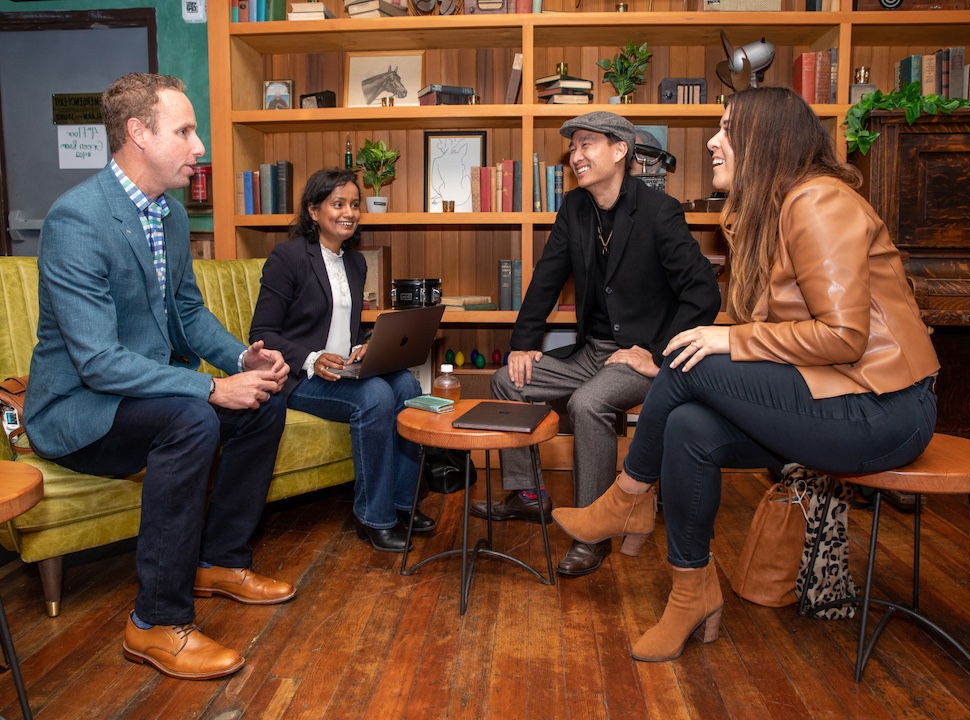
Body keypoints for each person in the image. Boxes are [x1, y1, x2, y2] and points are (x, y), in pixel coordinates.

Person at [551, 87, 940, 662]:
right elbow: (782, 329)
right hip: (832, 394)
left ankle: (629, 494)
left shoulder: (819, 201)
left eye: (727, 129)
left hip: (884, 408)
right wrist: (723, 338)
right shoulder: (776, 210)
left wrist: (727, 338)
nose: (713, 141)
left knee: (692, 360)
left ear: (767, 139)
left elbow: (843, 337)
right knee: (687, 426)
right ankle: (692, 594)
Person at [23, 73, 295, 681]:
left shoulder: (168, 214)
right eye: (185, 131)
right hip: (79, 407)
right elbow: (97, 361)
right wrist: (210, 387)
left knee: (265, 400)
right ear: (138, 133)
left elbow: (188, 313)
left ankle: (218, 561)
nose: (199, 146)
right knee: (193, 417)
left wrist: (242, 364)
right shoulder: (77, 219)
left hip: (141, 395)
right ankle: (155, 622)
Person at [472, 111, 721, 577]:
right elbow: (547, 278)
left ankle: (593, 531)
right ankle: (528, 494)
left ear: (620, 150)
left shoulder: (659, 211)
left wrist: (658, 354)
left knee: (587, 404)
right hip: (591, 352)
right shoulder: (575, 208)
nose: (576, 155)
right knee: (508, 380)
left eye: (587, 143)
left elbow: (703, 294)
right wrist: (522, 344)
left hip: (639, 357)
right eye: (573, 147)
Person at [249, 168, 432, 554]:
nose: (349, 212)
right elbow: (262, 332)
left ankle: (404, 504)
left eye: (354, 204)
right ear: (313, 210)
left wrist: (364, 347)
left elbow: (344, 329)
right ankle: (374, 517)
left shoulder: (356, 263)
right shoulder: (288, 257)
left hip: (344, 370)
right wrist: (312, 358)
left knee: (408, 386)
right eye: (338, 204)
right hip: (300, 377)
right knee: (375, 396)